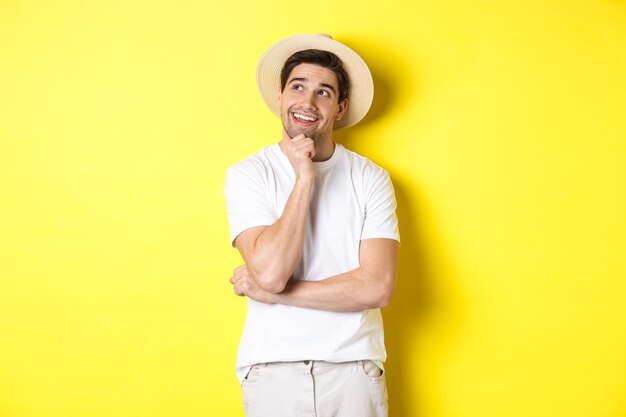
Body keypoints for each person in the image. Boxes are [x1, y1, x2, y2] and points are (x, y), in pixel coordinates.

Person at [224, 33, 400, 417]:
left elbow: (377, 286)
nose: (307, 101)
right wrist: (304, 176)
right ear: (280, 97)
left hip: (352, 369)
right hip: (272, 370)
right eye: (298, 86)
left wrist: (277, 295)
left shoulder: (370, 178)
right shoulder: (248, 174)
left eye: (324, 92)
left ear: (340, 108)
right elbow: (270, 272)